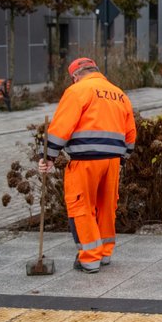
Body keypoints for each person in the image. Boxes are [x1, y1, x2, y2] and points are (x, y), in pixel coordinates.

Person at [39, 58, 136, 274]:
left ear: (75, 76)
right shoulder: (119, 93)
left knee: (81, 206)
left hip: (85, 161)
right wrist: (123, 157)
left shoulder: (77, 91)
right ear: (96, 71)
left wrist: (48, 156)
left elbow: (61, 127)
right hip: (112, 162)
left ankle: (89, 259)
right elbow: (130, 135)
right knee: (106, 207)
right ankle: (104, 254)